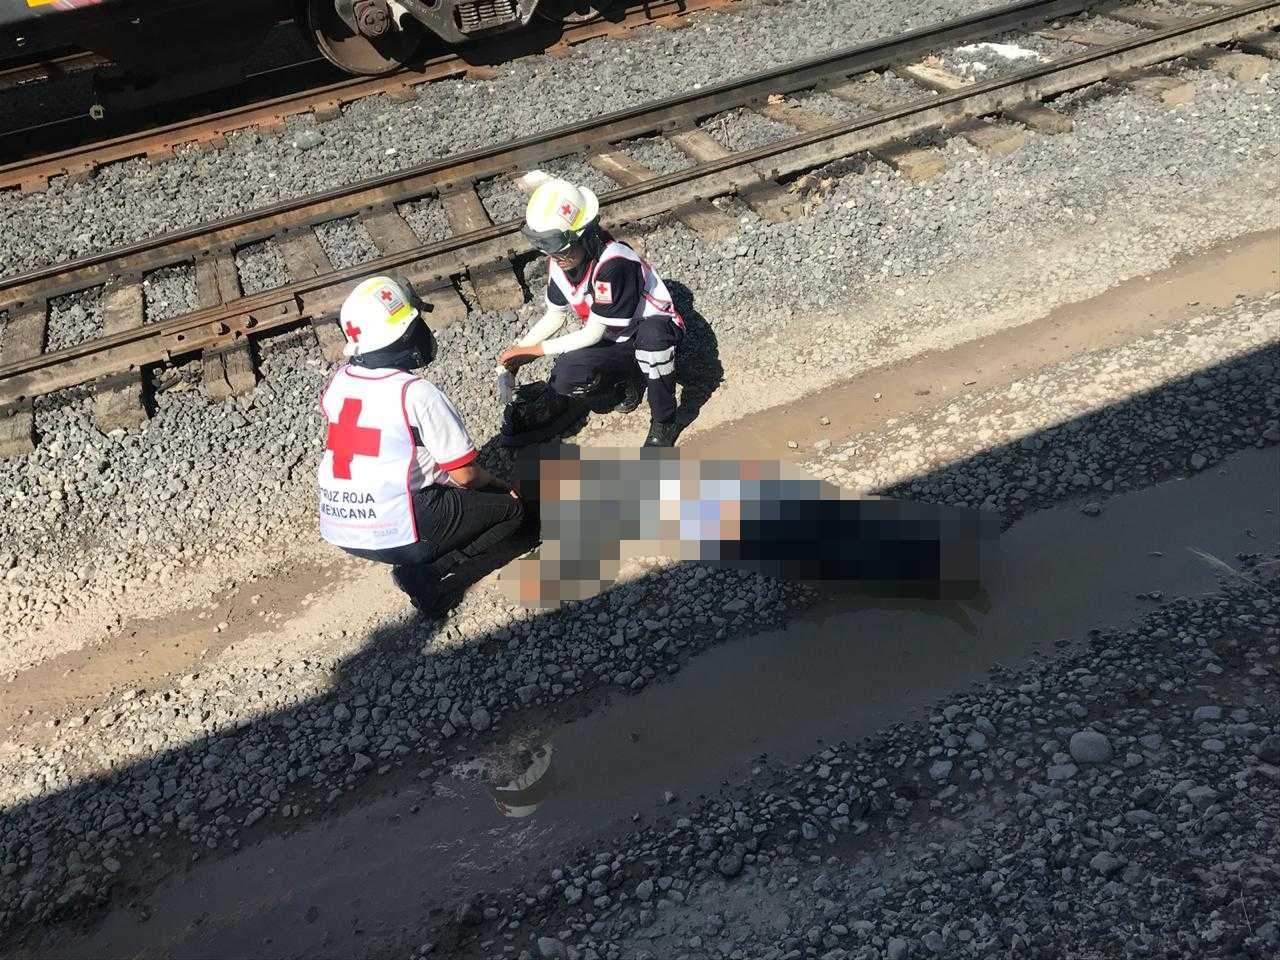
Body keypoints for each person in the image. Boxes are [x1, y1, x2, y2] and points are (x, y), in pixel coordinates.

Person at [316, 275, 525, 612]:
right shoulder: (416, 393)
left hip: (341, 526)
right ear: (405, 335)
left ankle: (421, 551)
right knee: (512, 513)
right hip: (396, 528)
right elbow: (465, 476)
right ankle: (425, 575)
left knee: (439, 490)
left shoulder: (339, 381)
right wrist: (501, 487)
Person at [498, 177, 685, 448]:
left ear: (585, 234)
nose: (555, 257)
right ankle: (627, 382)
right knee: (567, 374)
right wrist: (518, 352)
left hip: (650, 328)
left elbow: (593, 333)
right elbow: (555, 316)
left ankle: (665, 419)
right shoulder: (559, 263)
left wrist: (536, 351)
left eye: (561, 249)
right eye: (548, 249)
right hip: (614, 337)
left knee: (652, 339)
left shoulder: (614, 263)